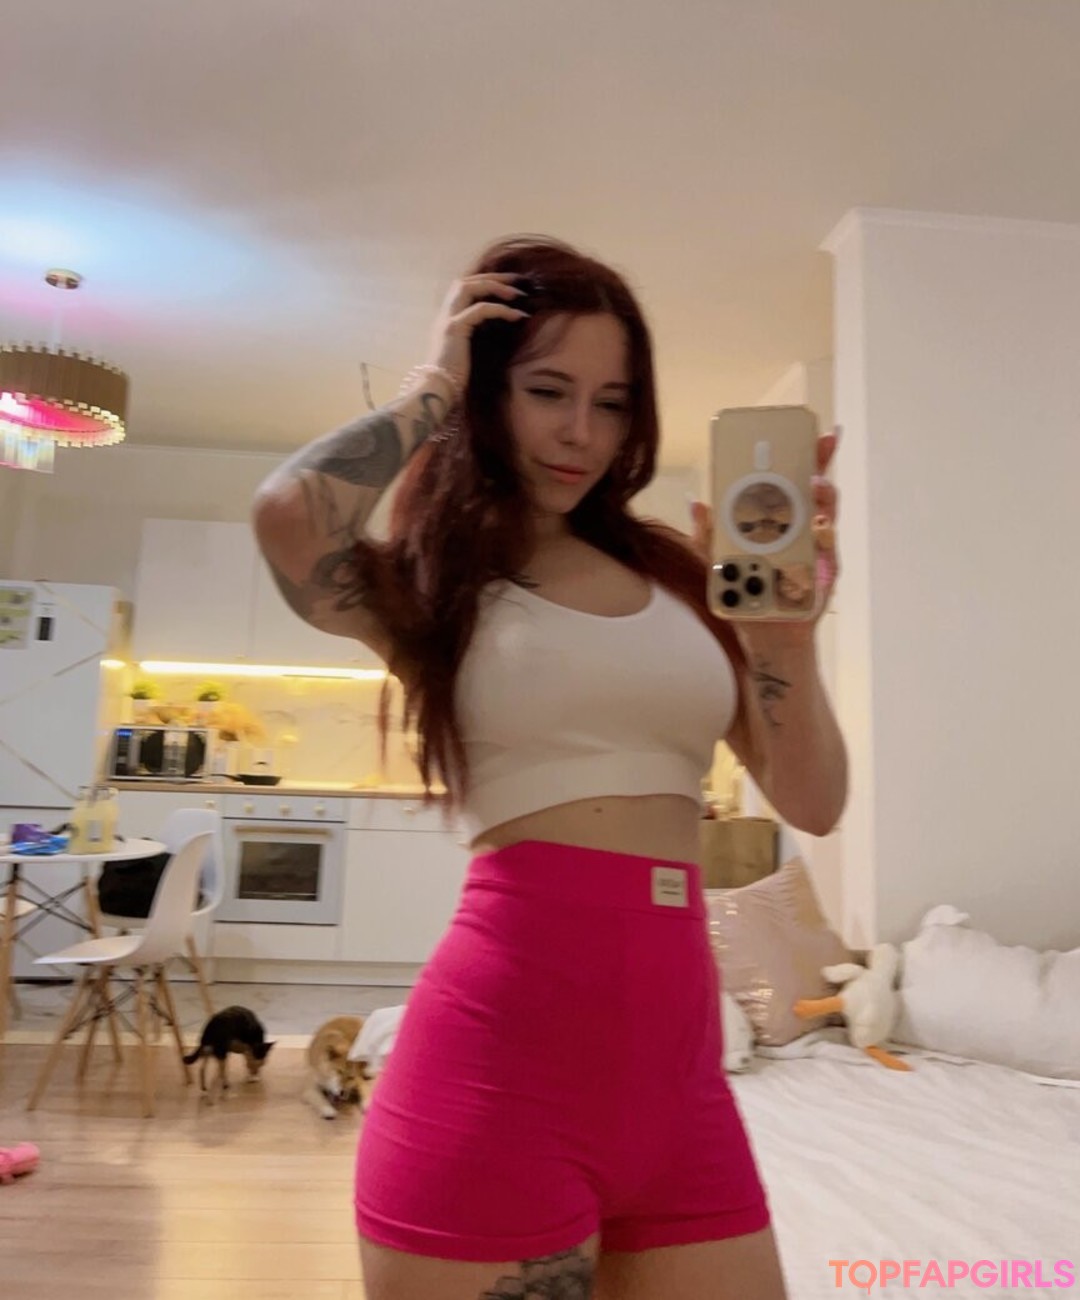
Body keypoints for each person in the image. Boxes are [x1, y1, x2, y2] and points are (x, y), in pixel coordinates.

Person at [252, 235, 847, 1300]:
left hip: (678, 1092)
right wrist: (433, 385)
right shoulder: (430, 584)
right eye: (546, 390)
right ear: (488, 392)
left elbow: (814, 799)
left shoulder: (677, 573)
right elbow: (291, 515)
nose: (582, 433)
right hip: (497, 1082)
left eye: (613, 403)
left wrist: (786, 644)